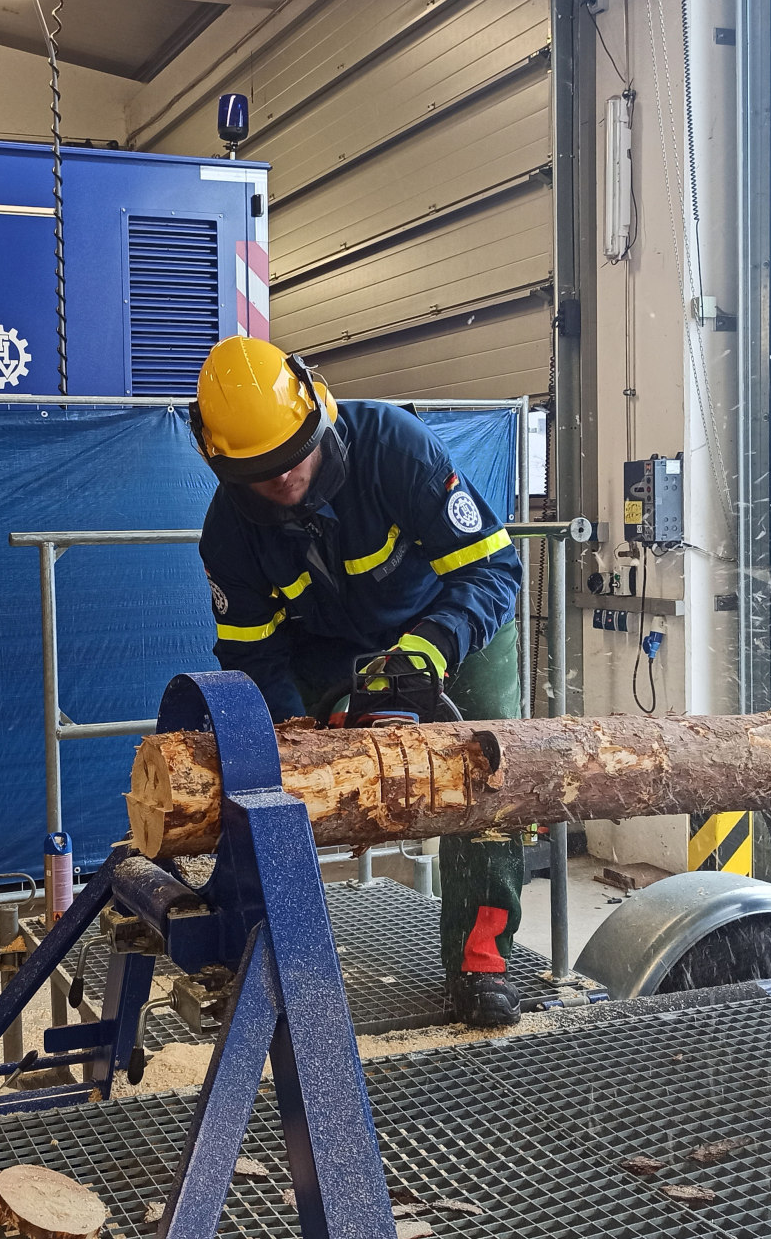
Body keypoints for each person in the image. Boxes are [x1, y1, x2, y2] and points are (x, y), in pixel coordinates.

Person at [189, 336, 526, 1027]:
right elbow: (253, 657)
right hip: (327, 650)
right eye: (260, 471)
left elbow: (493, 572)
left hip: (446, 623)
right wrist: (301, 732)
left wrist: (430, 648)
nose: (283, 480)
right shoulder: (229, 533)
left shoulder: (393, 448)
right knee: (268, 773)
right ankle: (274, 957)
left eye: (293, 457)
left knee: (492, 775)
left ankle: (481, 958)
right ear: (220, 462)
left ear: (320, 415)